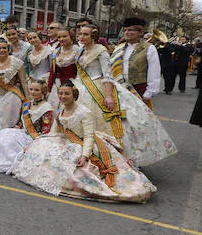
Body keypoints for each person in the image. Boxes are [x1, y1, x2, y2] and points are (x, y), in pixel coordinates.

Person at [11, 83, 156, 203]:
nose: (62, 96)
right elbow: (54, 132)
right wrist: (38, 142)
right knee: (44, 152)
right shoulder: (60, 110)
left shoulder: (84, 112)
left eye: (66, 94)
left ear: (74, 95)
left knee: (76, 167)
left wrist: (85, 156)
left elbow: (88, 137)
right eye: (60, 93)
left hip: (84, 143)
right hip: (66, 140)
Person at [74, 25, 176, 168]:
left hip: (99, 88)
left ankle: (113, 158)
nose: (81, 37)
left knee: (114, 125)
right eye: (80, 34)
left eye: (85, 34)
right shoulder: (80, 51)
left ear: (93, 36)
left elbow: (107, 74)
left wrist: (109, 96)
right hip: (81, 88)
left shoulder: (101, 50)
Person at [0, 79, 53, 173]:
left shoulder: (46, 108)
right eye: (31, 89)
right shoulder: (27, 104)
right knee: (3, 133)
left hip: (34, 138)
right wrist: (17, 127)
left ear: (43, 92)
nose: (33, 92)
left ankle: (5, 161)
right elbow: (22, 123)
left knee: (10, 141)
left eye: (36, 90)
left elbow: (46, 131)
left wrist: (33, 145)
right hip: (23, 132)